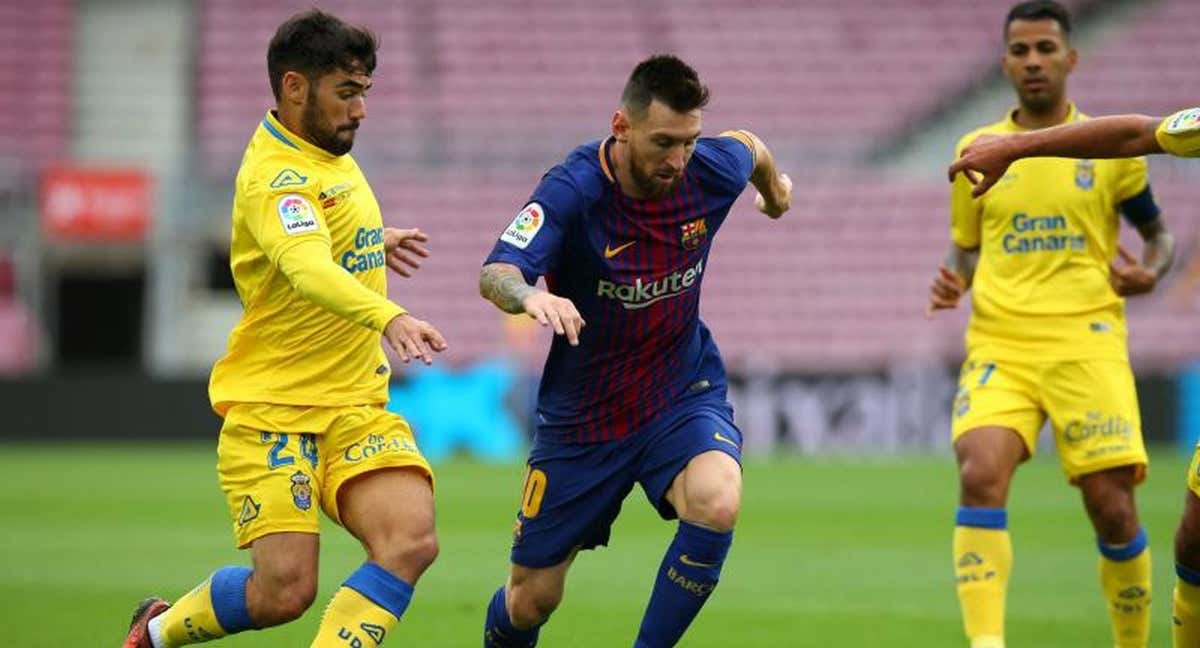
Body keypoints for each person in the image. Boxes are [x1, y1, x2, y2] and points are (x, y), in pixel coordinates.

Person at [122, 9, 446, 648]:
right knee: (284, 593)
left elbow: (313, 239)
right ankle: (155, 633)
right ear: (295, 87)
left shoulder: (325, 149)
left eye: (363, 94)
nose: (359, 110)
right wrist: (390, 314)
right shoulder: (278, 176)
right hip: (276, 411)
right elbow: (303, 266)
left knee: (410, 539)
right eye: (346, 93)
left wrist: (368, 239)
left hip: (354, 404)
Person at [476, 54, 791, 647]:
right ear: (621, 126)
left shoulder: (709, 168)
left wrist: (774, 193)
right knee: (531, 600)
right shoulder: (572, 190)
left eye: (689, 142)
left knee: (717, 500)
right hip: (585, 418)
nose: (677, 160)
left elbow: (749, 146)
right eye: (663, 142)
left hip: (678, 390)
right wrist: (527, 297)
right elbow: (497, 270)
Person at [926, 3, 1175, 647]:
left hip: (1086, 341)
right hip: (1000, 342)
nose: (1032, 61)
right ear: (1005, 62)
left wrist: (1152, 269)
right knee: (980, 469)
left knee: (1112, 507)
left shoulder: (1111, 147)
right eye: (1019, 50)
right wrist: (953, 276)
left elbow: (1159, 237)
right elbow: (966, 243)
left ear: (1071, 57)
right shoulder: (972, 149)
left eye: (1044, 48)